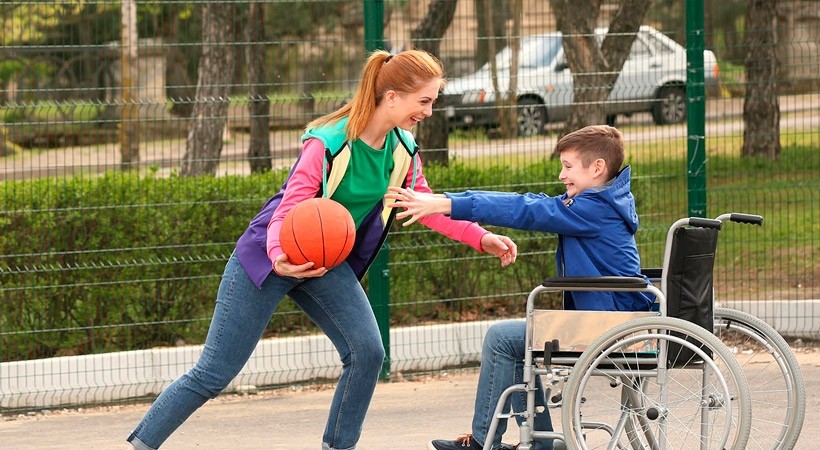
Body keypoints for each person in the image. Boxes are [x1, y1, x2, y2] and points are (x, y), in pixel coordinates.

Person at [125, 49, 517, 450]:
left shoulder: (403, 149)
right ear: (393, 96)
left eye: (433, 102)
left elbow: (425, 206)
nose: (430, 112)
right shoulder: (328, 143)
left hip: (324, 260)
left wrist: (479, 236)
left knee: (367, 352)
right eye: (425, 101)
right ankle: (140, 444)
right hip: (268, 257)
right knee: (214, 371)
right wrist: (280, 257)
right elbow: (288, 207)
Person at [385, 125, 654, 450]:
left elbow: (524, 210)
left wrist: (447, 204)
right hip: (614, 319)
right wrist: (452, 203)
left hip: (609, 327)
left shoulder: (594, 208)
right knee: (514, 342)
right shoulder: (600, 203)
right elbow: (530, 204)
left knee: (503, 339)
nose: (560, 174)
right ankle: (537, 443)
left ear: (597, 168)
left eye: (568, 167)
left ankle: (484, 442)